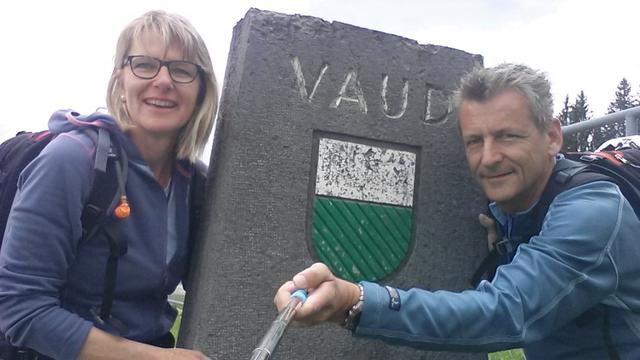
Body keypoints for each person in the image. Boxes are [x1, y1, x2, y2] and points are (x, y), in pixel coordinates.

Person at [275, 63, 640, 359]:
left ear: (552, 137)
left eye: (507, 136)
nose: (489, 158)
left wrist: (355, 302)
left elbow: (504, 312)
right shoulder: (513, 209)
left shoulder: (593, 213)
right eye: (474, 141)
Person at [0, 10, 217, 359]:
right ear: (120, 79)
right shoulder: (71, 161)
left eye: (182, 69)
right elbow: (22, 310)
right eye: (145, 64)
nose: (163, 80)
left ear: (202, 87)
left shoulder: (197, 185)